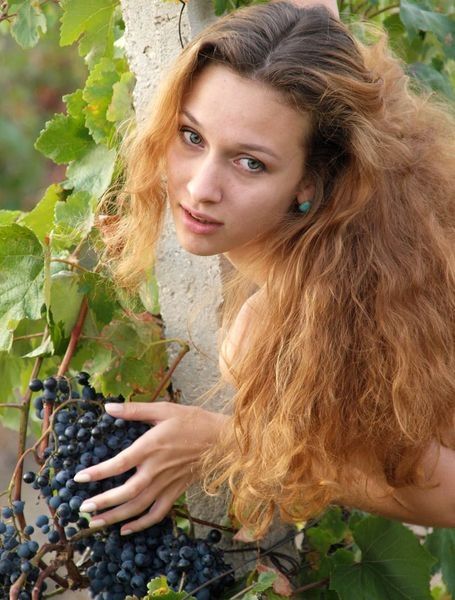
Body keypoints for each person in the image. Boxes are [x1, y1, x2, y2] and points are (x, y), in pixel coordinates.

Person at [76, 0, 455, 538]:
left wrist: (227, 439)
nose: (201, 188)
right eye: (192, 136)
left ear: (310, 182)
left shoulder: (302, 319)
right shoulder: (391, 246)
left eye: (250, 162)